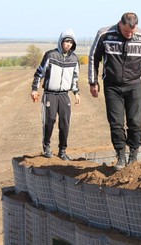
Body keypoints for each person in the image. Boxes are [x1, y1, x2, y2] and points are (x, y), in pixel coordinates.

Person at [88, 12, 141, 170]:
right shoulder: (104, 34)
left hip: (134, 85)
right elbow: (94, 57)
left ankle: (133, 154)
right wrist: (93, 82)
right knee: (116, 123)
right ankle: (120, 155)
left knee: (135, 122)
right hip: (112, 86)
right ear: (120, 24)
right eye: (127, 31)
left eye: (132, 32)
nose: (130, 34)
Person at [31, 29, 80, 160]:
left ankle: (62, 150)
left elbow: (75, 76)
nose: (68, 44)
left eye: (71, 42)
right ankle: (47, 146)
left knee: (65, 123)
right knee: (49, 120)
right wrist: (34, 89)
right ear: (61, 41)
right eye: (66, 41)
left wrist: (76, 92)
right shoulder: (50, 55)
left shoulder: (74, 58)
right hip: (50, 94)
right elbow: (39, 73)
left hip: (64, 95)